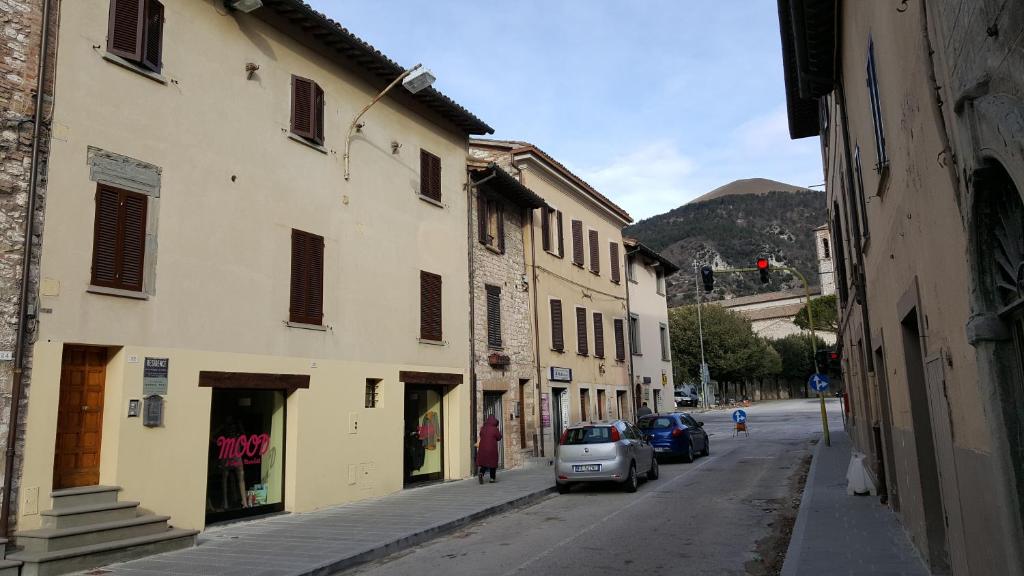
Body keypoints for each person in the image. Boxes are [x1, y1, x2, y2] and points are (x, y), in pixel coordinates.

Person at [476, 414, 502, 484]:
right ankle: (492, 478)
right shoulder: (495, 429)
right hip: (492, 449)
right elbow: (499, 437)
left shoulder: (483, 428)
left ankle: (481, 473)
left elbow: (481, 435)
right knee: (492, 463)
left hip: (483, 449)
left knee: (484, 463)